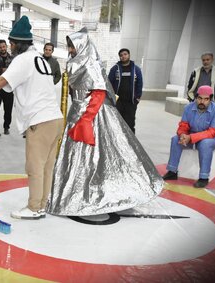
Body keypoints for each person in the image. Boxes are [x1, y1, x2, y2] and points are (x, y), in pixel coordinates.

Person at [46, 28, 163, 217]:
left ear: (81, 46)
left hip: (92, 115)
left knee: (102, 154)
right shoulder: (75, 63)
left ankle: (96, 192)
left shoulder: (91, 64)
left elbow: (99, 92)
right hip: (78, 112)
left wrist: (87, 118)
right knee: (78, 156)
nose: (69, 50)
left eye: (72, 46)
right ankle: (73, 191)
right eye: (69, 46)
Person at [0, 16, 63, 219]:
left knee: (34, 166)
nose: (10, 46)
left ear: (19, 43)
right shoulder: (40, 58)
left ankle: (33, 208)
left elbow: (3, 80)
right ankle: (42, 204)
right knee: (47, 166)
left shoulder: (23, 59)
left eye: (12, 43)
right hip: (55, 118)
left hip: (41, 120)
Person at [162, 85, 215, 188]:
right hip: (191, 135)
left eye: (206, 99)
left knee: (205, 143)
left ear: (210, 99)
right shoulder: (188, 108)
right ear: (196, 97)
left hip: (212, 137)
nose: (202, 102)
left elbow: (213, 132)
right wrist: (182, 135)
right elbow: (183, 125)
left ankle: (204, 177)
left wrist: (191, 137)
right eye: (199, 98)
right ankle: (172, 171)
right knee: (175, 139)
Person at [108, 48, 143, 133]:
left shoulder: (136, 69)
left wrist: (137, 98)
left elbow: (140, 83)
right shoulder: (114, 69)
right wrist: (111, 98)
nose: (123, 56)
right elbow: (109, 83)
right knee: (117, 123)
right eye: (121, 55)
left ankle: (131, 144)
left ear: (129, 55)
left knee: (130, 123)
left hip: (131, 102)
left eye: (125, 54)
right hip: (118, 101)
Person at [0, 40, 14, 135]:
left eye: (4, 47)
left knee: (8, 109)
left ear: (6, 46)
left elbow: (14, 71)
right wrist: (3, 70)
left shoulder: (12, 58)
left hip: (8, 87)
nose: (2, 49)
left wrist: (6, 71)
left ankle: (6, 127)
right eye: (0, 47)